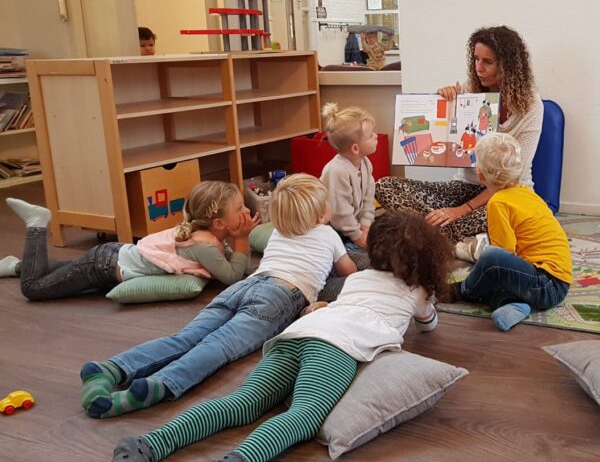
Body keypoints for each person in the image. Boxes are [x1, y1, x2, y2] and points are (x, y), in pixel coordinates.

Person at [112, 211, 454, 462]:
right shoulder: (418, 290)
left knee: (243, 402)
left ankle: (151, 444)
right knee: (303, 415)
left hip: (298, 334)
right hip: (337, 348)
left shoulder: (359, 278)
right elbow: (428, 324)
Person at [80, 173, 357, 419]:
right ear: (321, 214)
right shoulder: (328, 234)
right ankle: (161, 384)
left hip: (244, 286)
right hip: (279, 296)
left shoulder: (278, 233)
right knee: (219, 346)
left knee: (186, 337)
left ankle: (110, 369)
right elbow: (349, 270)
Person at [376, 25, 543, 245]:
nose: (478, 68)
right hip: (465, 186)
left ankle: (428, 231)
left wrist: (460, 211)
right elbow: (444, 137)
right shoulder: (469, 91)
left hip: (506, 192)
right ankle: (443, 232)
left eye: (487, 62)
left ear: (508, 66)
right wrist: (444, 103)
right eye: (476, 59)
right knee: (385, 186)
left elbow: (511, 177)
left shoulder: (531, 106)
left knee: (503, 213)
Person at [0, 181, 257, 301]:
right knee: (34, 289)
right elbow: (233, 277)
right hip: (101, 268)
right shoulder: (204, 246)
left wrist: (235, 241)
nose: (246, 211)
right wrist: (243, 240)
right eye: (239, 208)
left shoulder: (208, 236)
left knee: (61, 272)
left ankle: (16, 266)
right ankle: (36, 225)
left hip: (110, 256)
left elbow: (231, 265)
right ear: (219, 224)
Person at [447, 133, 572, 332]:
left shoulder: (498, 202)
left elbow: (503, 252)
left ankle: (461, 291)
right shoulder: (529, 194)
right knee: (494, 284)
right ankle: (514, 304)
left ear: (480, 176)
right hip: (559, 285)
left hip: (545, 282)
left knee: (491, 258)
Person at [320, 103, 378, 251]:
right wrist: (357, 235)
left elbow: (368, 199)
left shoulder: (365, 163)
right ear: (355, 148)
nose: (376, 136)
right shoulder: (337, 171)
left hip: (350, 227)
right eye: (371, 136)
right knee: (360, 258)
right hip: (330, 229)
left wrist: (366, 226)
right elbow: (340, 213)